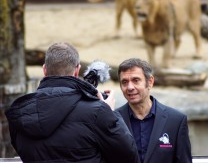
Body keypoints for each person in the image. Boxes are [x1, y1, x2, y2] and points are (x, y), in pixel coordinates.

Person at [5, 42, 140, 163]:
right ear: (77, 71)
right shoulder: (98, 111)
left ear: (45, 70)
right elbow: (129, 156)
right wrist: (110, 113)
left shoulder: (21, 112)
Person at [115, 58, 192, 163]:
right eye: (124, 82)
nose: (130, 87)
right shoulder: (113, 120)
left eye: (136, 80)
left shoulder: (176, 121)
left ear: (150, 82)